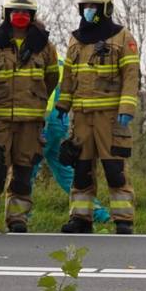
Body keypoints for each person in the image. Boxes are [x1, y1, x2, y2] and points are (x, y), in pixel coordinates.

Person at [0, 0, 59, 233]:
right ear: (7, 13)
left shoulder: (45, 48)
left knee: (23, 171)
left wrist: (35, 102)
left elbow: (52, 79)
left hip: (30, 122)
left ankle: (17, 218)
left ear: (32, 15)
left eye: (25, 12)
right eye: (15, 11)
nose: (20, 15)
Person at [56, 0, 140, 234]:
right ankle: (81, 218)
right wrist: (63, 103)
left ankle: (123, 219)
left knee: (115, 169)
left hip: (111, 118)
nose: (88, 11)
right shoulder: (76, 39)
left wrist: (126, 108)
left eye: (93, 7)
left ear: (105, 9)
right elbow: (69, 75)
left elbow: (131, 75)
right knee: (81, 169)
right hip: (81, 117)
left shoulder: (122, 38)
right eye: (85, 7)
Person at [31, 82, 111, 224]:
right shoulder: (61, 64)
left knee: (27, 167)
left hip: (44, 122)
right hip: (59, 121)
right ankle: (98, 212)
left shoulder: (41, 60)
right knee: (64, 171)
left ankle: (20, 216)